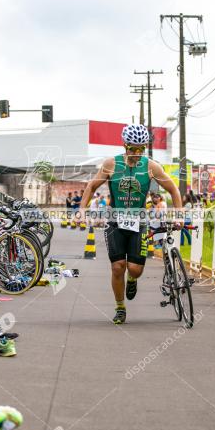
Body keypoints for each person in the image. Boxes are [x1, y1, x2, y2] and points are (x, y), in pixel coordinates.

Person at [78, 124, 183, 325]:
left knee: (134, 270)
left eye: (141, 148)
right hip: (115, 222)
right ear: (125, 145)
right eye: (133, 148)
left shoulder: (151, 166)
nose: (137, 153)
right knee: (118, 267)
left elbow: (174, 190)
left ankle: (132, 280)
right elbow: (91, 186)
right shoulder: (111, 164)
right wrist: (82, 211)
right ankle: (120, 307)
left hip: (139, 223)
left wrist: (179, 215)